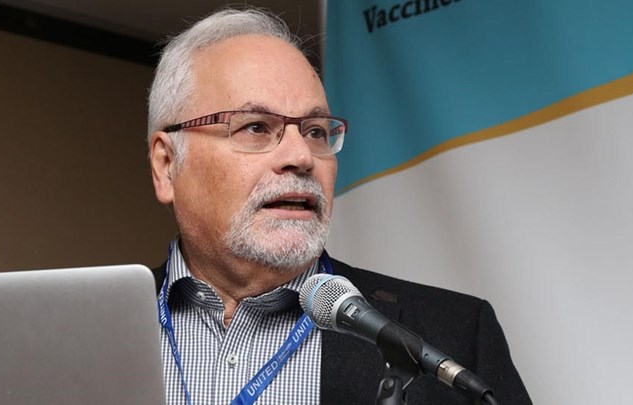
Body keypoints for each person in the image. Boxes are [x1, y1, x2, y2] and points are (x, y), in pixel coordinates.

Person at [147, 7, 531, 405]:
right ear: (166, 165)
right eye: (256, 127)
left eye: (316, 132)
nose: (301, 156)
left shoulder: (455, 335)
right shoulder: (102, 326)